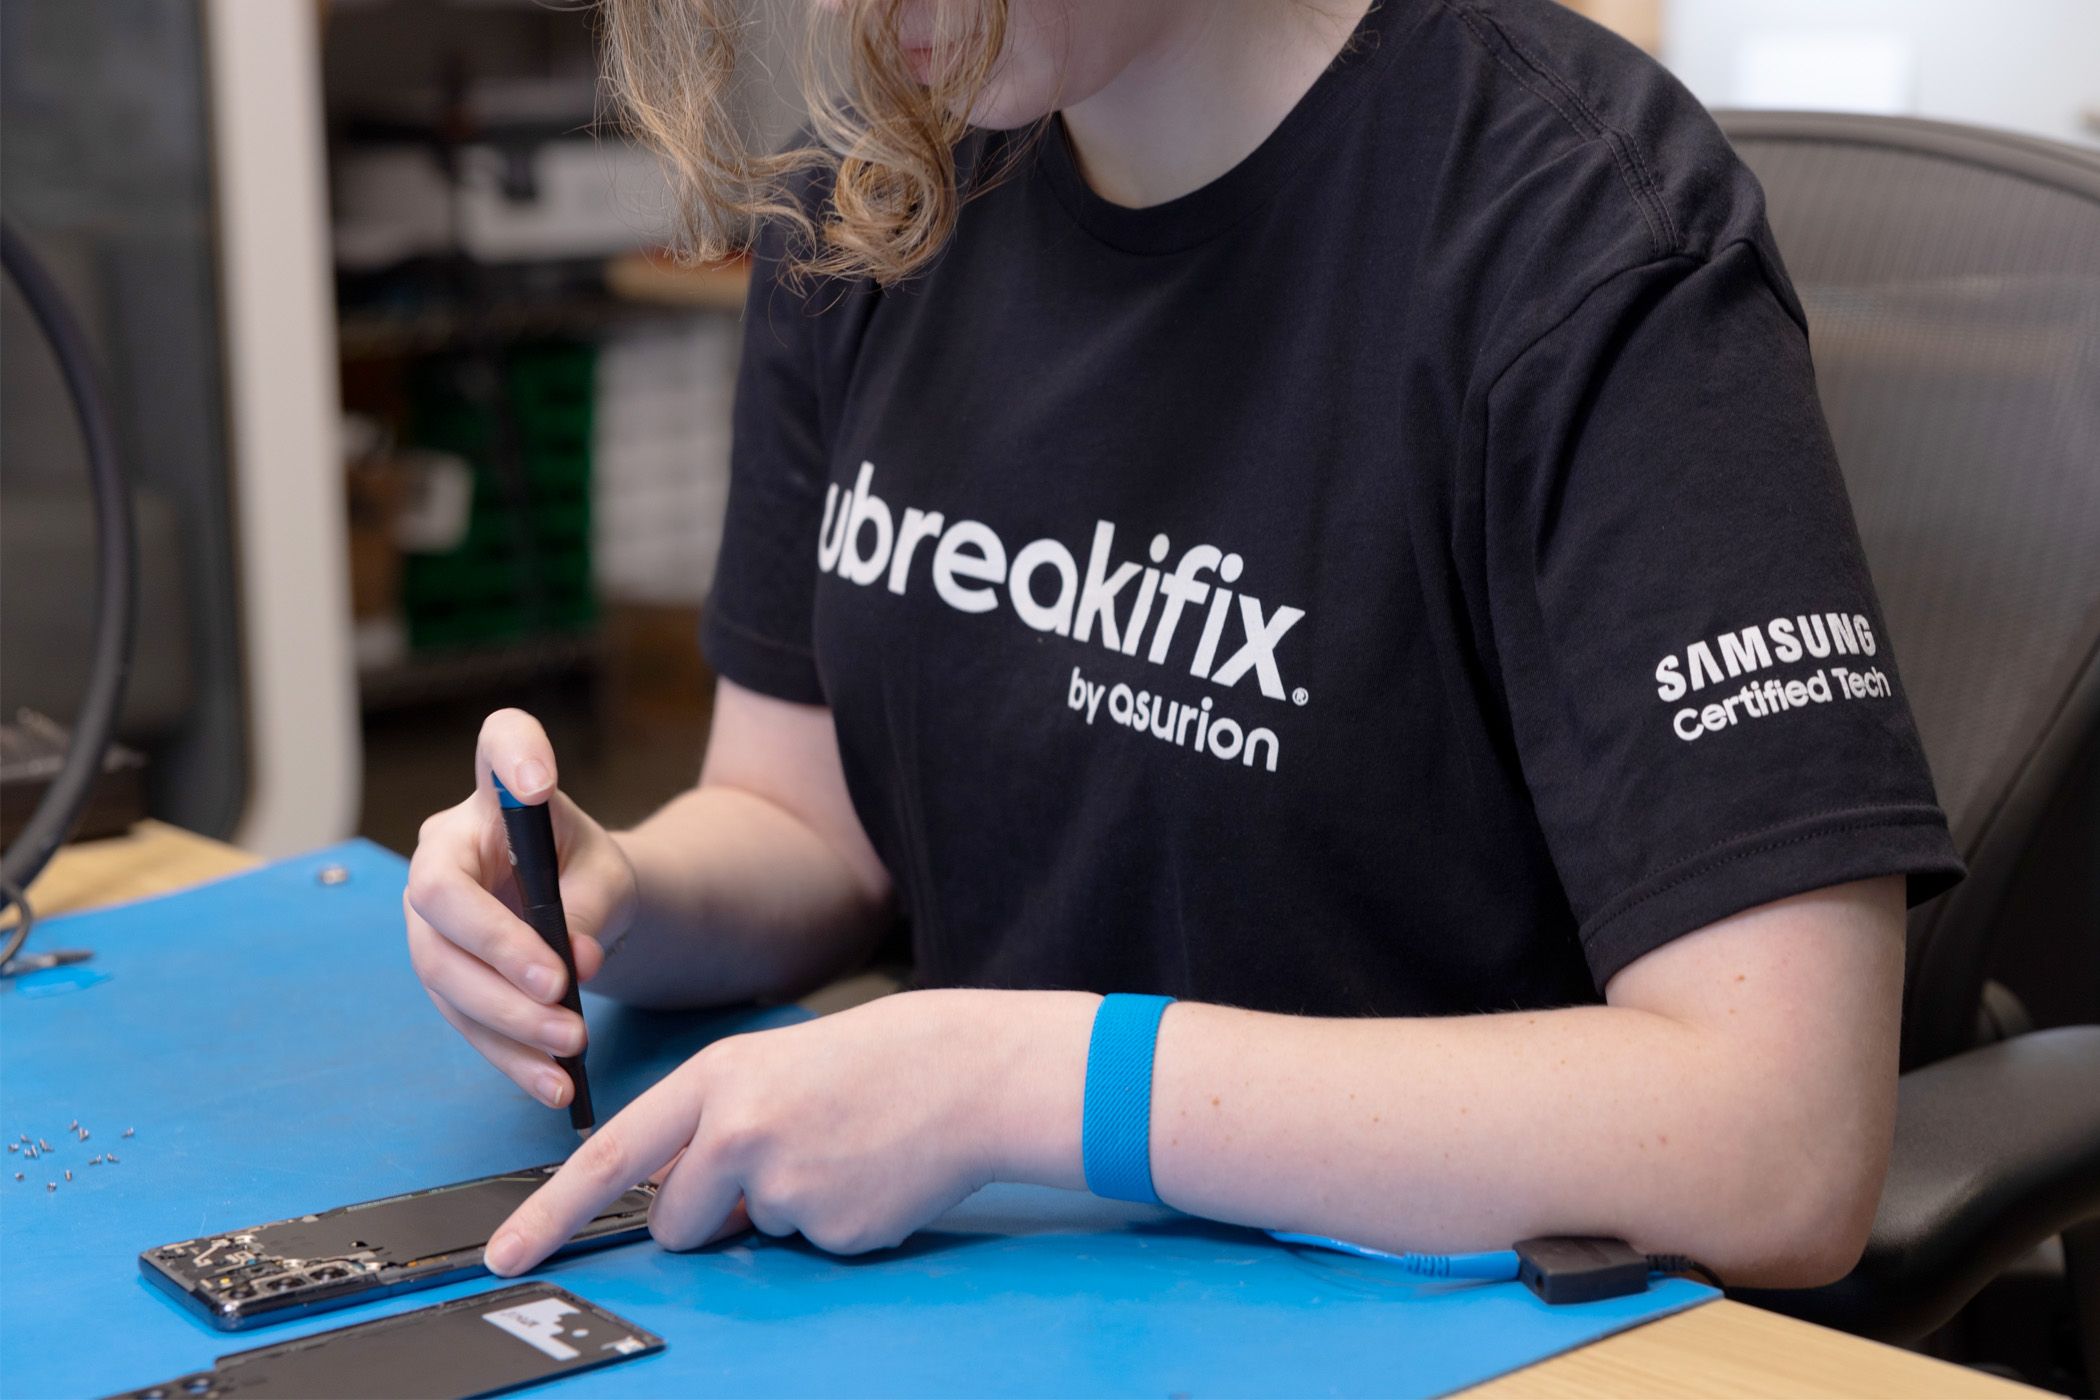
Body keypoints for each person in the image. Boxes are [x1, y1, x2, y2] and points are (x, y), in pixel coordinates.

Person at [405, 0, 1962, 1288]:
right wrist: (616, 896)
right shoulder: (876, 197)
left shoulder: (1581, 240)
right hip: (1024, 1287)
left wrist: (1024, 1087)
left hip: (1453, 1316)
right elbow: (806, 818)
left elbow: (1779, 1140)